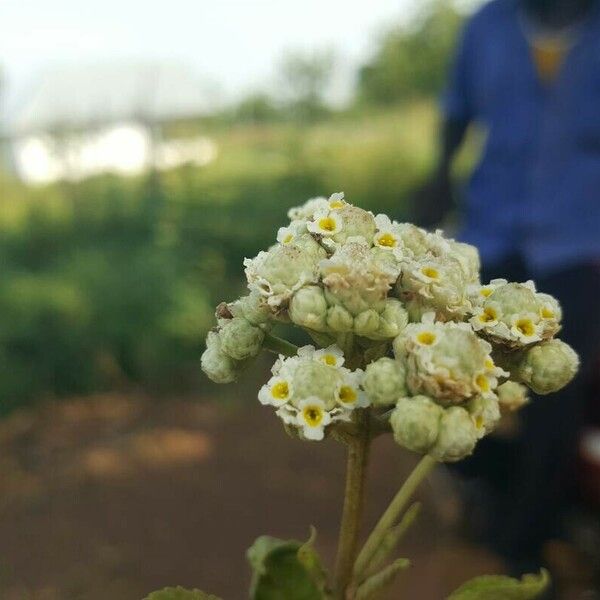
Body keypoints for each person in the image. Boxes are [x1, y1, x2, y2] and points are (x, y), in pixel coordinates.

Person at [416, 0, 600, 579]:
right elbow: (456, 116)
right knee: (457, 387)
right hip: (488, 239)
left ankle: (522, 551)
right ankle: (493, 500)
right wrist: (437, 181)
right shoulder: (487, 26)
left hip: (580, 245)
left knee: (555, 399)